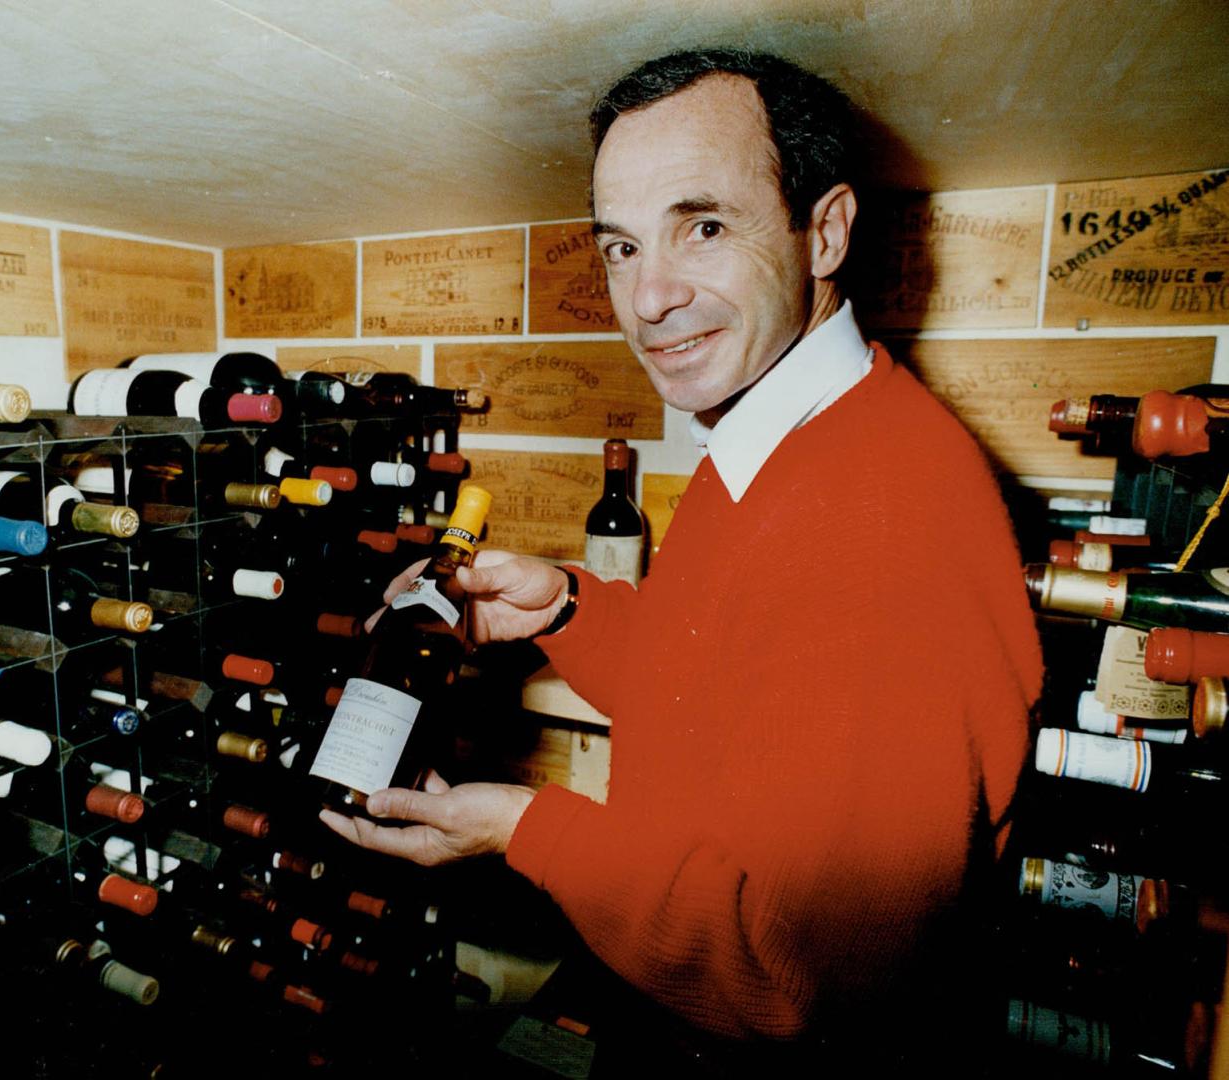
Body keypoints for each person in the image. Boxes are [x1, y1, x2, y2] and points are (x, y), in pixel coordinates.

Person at [321, 47, 1043, 1066]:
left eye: (701, 227)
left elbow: (790, 969)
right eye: (618, 247)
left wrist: (524, 831)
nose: (647, 298)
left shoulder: (884, 512)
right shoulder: (784, 431)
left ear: (823, 231)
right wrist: (567, 609)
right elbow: (736, 694)